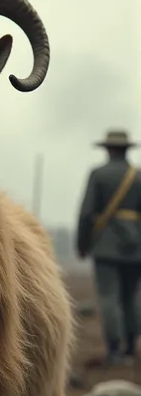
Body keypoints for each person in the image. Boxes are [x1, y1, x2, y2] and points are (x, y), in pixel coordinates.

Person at [77, 129, 141, 365]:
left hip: (106, 247)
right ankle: (131, 347)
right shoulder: (138, 176)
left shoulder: (99, 174)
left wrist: (82, 244)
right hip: (136, 248)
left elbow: (86, 214)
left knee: (109, 298)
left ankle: (114, 351)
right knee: (131, 297)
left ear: (108, 149)